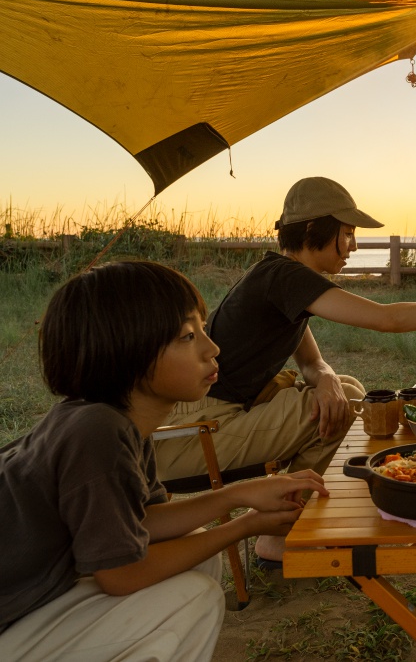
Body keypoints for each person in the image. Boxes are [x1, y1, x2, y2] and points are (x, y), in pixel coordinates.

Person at [154, 176, 416, 564]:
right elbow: (385, 318)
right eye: (347, 234)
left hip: (215, 417)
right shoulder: (283, 277)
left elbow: (313, 362)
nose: (354, 246)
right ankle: (278, 533)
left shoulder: (279, 277)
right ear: (315, 230)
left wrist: (328, 379)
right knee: (346, 401)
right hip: (188, 434)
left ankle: (281, 526)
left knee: (344, 387)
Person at [0, 261, 329, 661]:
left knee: (195, 558)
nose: (213, 348)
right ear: (128, 352)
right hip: (11, 617)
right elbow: (122, 575)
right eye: (188, 336)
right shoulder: (96, 432)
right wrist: (246, 524)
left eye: (203, 330)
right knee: (193, 596)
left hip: (29, 597)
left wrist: (239, 495)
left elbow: (142, 524)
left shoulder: (113, 422)